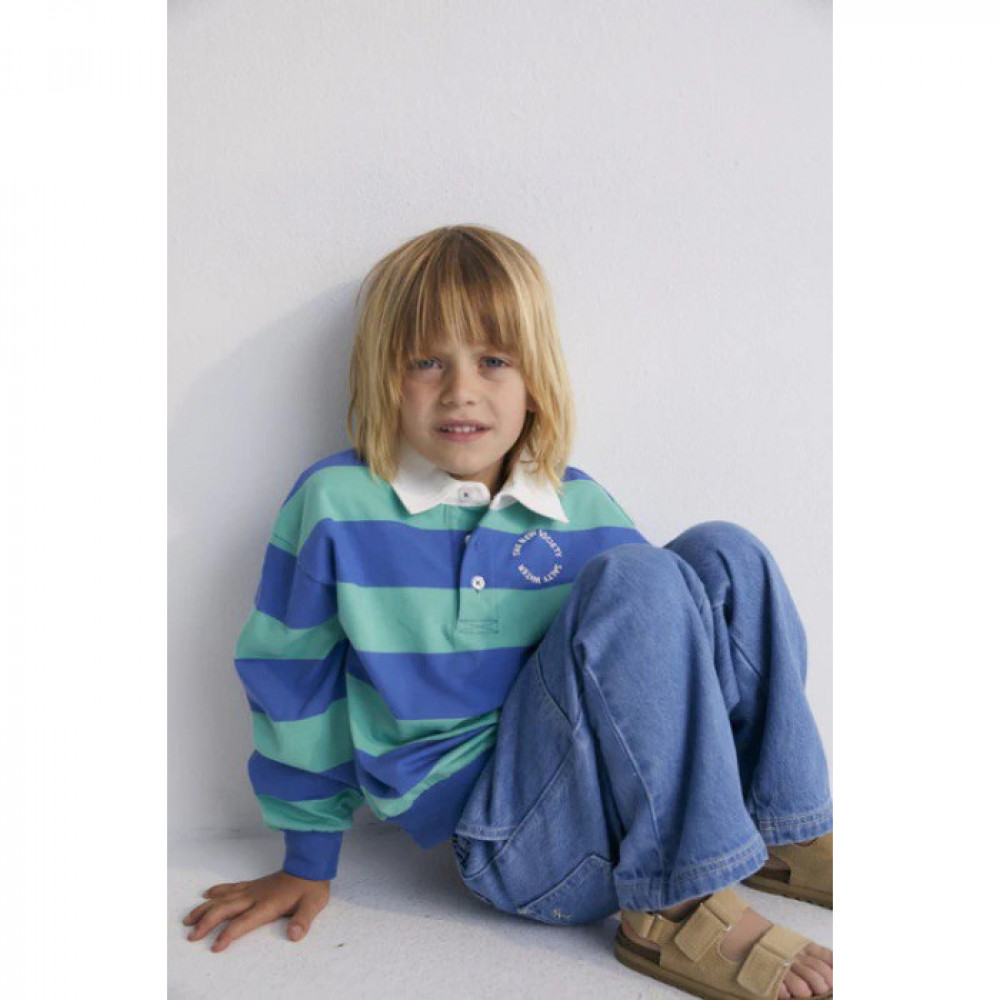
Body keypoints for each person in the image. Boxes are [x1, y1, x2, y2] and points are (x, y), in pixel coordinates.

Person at [183, 225, 833, 1000]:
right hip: (512, 847)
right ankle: (675, 907)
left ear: (535, 377)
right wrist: (306, 861)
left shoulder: (577, 504)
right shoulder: (338, 506)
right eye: (426, 361)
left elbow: (661, 675)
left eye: (493, 360)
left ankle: (783, 835)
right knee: (641, 578)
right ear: (384, 374)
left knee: (724, 554)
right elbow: (293, 684)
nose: (461, 390)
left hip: (611, 810)